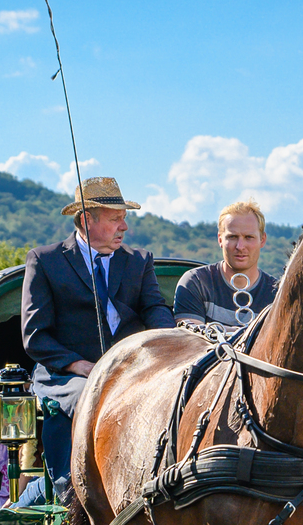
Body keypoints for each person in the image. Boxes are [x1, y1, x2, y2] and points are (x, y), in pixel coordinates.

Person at [20, 176, 175, 498]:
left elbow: (155, 308)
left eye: (124, 219)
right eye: (116, 219)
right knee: (85, 400)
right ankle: (71, 490)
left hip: (130, 369)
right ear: (86, 220)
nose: (124, 228)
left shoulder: (138, 261)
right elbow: (35, 335)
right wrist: (79, 365)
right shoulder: (46, 261)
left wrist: (169, 344)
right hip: (68, 374)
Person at [172, 200, 279, 333]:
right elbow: (190, 339)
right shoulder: (197, 282)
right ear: (220, 239)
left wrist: (217, 330)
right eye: (232, 237)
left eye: (249, 237)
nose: (240, 246)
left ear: (262, 240)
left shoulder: (277, 294)